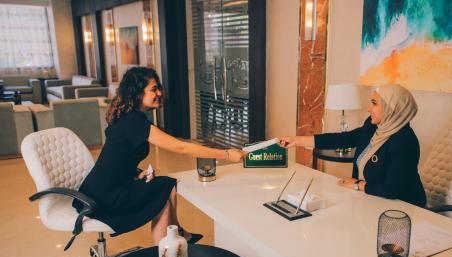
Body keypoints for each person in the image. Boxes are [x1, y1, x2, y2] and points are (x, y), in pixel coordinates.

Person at [73, 67, 245, 245]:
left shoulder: (127, 116)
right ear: (138, 93)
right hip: (103, 197)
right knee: (164, 187)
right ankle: (165, 253)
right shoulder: (134, 121)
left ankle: (174, 237)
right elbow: (181, 147)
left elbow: (117, 157)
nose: (160, 93)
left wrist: (136, 172)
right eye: (154, 89)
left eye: (158, 88)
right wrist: (227, 154)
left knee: (164, 187)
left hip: (98, 189)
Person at [279, 84, 426, 207]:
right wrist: (296, 140)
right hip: (371, 201)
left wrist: (358, 184)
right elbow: (344, 139)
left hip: (403, 210)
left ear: (392, 109)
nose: (369, 109)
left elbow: (391, 190)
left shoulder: (405, 142)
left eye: (374, 103)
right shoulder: (374, 126)